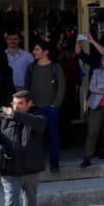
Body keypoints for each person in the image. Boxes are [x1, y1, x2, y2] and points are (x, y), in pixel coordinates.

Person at [25, 43, 66, 173]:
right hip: (35, 108)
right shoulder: (31, 67)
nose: (34, 51)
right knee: (34, 138)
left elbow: (61, 87)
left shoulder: (55, 67)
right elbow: (27, 86)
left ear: (46, 52)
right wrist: (28, 102)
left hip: (51, 108)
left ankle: (54, 164)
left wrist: (55, 104)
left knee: (53, 136)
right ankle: (36, 164)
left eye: (37, 49)